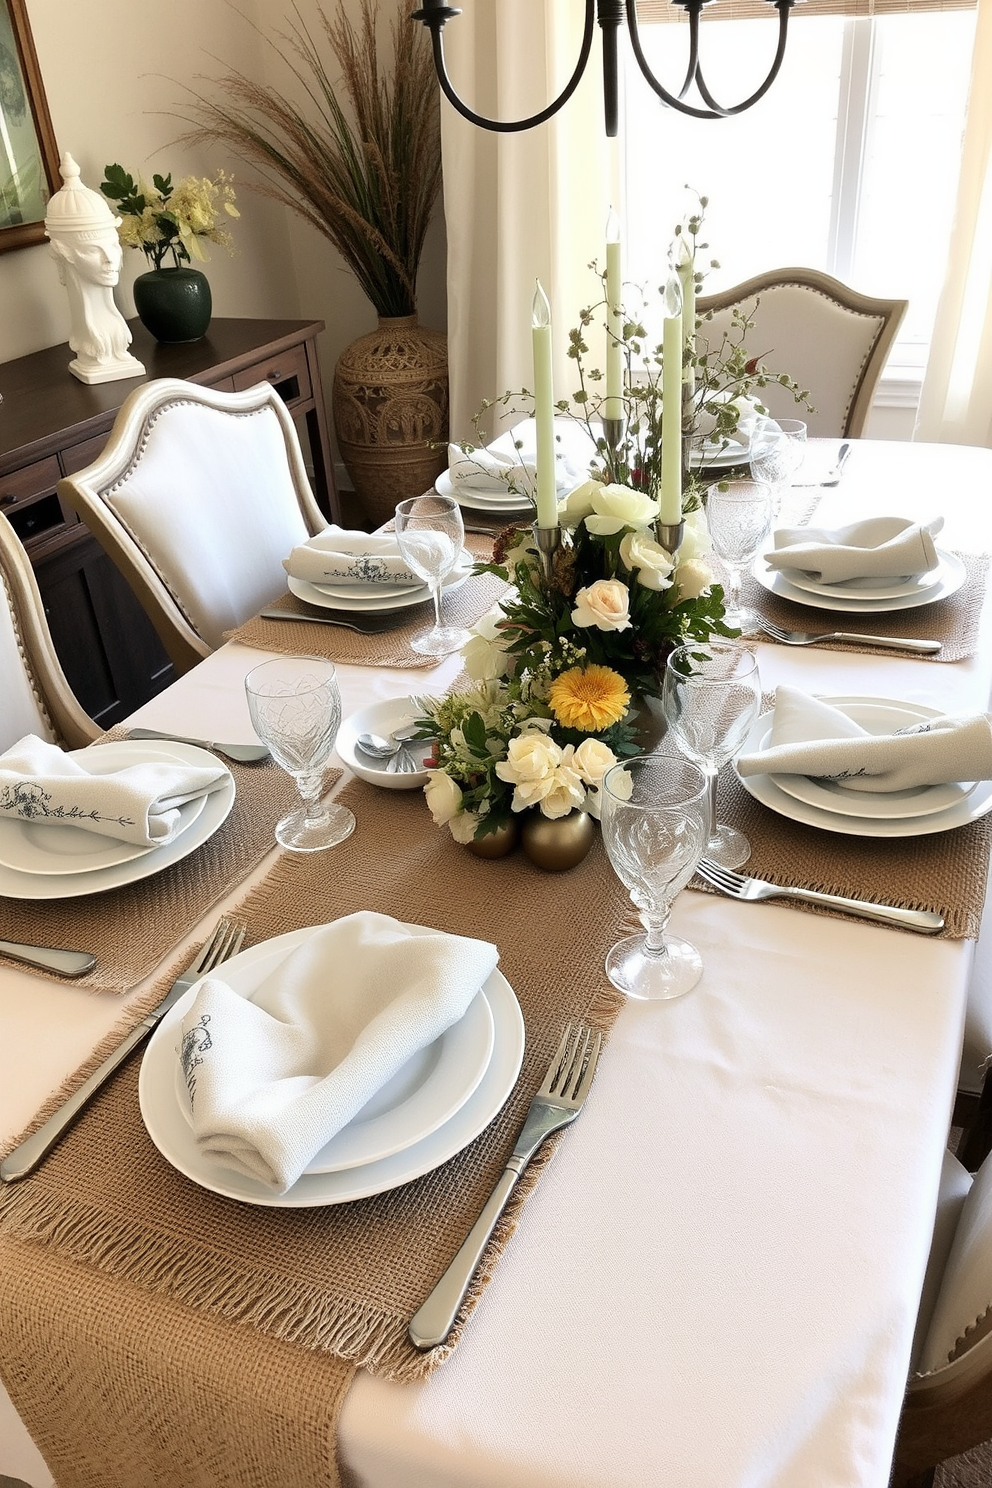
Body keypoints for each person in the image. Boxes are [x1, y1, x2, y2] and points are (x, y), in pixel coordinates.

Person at [44, 153, 145, 384]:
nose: (110, 259)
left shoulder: (122, 339)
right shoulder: (86, 344)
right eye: (92, 250)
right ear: (64, 253)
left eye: (113, 246)